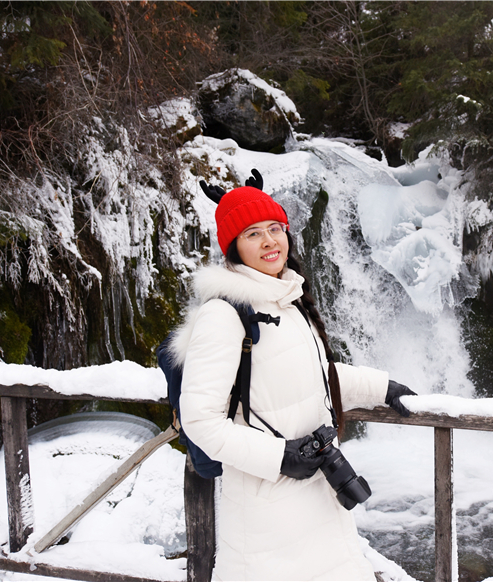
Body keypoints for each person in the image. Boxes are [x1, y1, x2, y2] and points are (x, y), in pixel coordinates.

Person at [167, 172, 416, 581]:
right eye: (252, 234)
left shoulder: (286, 299)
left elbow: (317, 375)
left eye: (274, 228)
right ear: (233, 249)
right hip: (265, 517)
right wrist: (279, 457)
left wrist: (380, 387)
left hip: (319, 498)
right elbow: (199, 419)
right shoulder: (225, 313)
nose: (269, 241)